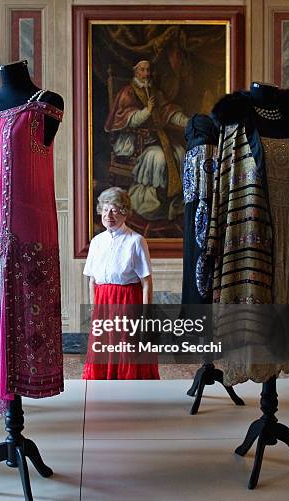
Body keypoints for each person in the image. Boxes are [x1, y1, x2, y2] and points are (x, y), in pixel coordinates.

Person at [82, 187, 160, 379]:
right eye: (106, 209)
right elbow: (92, 279)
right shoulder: (96, 242)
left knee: (127, 347)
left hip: (127, 301)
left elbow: (146, 282)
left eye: (115, 210)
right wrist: (94, 311)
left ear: (124, 212)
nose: (109, 215)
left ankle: (130, 392)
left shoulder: (136, 241)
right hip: (102, 301)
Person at [105, 60, 189, 221]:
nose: (146, 73)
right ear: (136, 72)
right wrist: (148, 111)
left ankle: (173, 201)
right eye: (142, 70)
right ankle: (148, 203)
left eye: (148, 70)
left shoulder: (155, 91)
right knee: (158, 158)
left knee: (180, 151)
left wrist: (189, 122)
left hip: (154, 138)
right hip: (132, 140)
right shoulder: (127, 92)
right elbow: (126, 119)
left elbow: (168, 111)